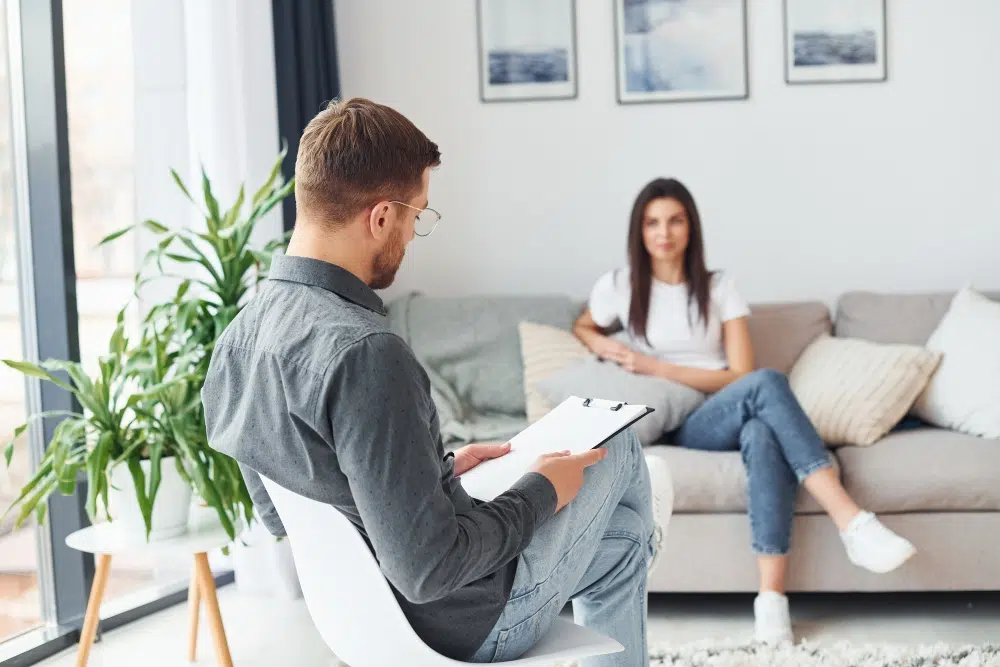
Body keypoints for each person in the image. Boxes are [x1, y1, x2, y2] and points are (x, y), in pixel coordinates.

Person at [201, 98, 657, 666]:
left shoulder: (239, 340)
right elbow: (430, 570)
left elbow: (289, 510)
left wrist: (428, 474)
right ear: (381, 216)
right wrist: (540, 491)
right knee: (615, 443)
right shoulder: (367, 353)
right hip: (461, 622)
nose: (416, 233)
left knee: (626, 540)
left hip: (358, 617)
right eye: (419, 215)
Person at [572, 177, 916, 645]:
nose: (664, 232)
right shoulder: (619, 286)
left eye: (675, 220)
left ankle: (771, 601)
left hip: (724, 407)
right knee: (769, 386)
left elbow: (741, 373)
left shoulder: (718, 287)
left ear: (691, 227)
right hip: (686, 424)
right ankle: (852, 522)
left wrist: (659, 367)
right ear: (639, 230)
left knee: (761, 427)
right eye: (652, 222)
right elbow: (584, 325)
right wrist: (605, 347)